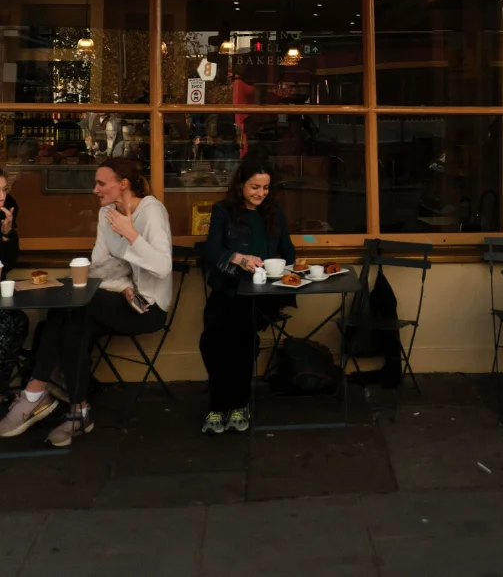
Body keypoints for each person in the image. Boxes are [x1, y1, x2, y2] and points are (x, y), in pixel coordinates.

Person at [0, 158, 172, 447]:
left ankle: (36, 393)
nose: (95, 190)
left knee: (72, 310)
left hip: (147, 307)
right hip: (118, 298)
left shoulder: (151, 211)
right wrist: (124, 286)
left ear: (123, 184)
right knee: (72, 322)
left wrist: (130, 234)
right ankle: (77, 411)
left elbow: (163, 267)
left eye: (101, 183)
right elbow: (100, 267)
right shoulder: (107, 212)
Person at [200, 156, 295, 435]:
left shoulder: (274, 212)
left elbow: (288, 251)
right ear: (241, 184)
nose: (260, 194)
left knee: (242, 339)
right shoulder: (223, 211)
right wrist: (240, 259)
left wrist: (284, 270)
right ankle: (218, 405)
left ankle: (239, 403)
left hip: (263, 293)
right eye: (255, 187)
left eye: (265, 188)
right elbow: (211, 250)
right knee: (212, 340)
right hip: (228, 288)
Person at [0, 169, 28, 401]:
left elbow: (7, 263)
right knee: (8, 324)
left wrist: (6, 233)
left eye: (3, 189)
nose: (1, 196)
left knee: (18, 320)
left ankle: (2, 386)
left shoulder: (7, 210)